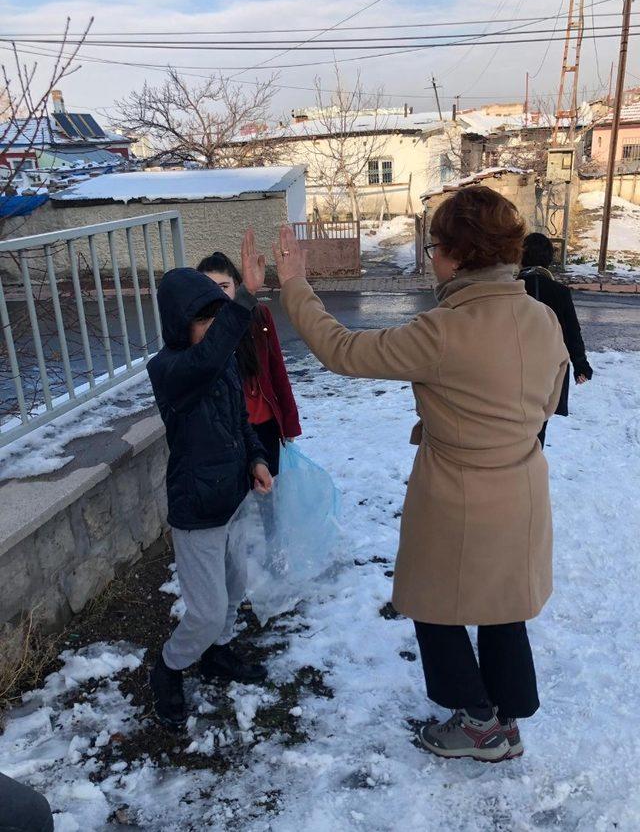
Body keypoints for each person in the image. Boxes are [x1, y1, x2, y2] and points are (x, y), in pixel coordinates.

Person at [272, 186, 569, 762]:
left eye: (435, 246)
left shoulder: (441, 330)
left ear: (459, 254)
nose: (430, 256)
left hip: (457, 492)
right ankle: (504, 718)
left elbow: (343, 351)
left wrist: (294, 285)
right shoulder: (542, 316)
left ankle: (478, 723)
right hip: (523, 486)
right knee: (502, 604)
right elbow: (549, 399)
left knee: (436, 605)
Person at [147, 229, 273, 729]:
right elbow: (206, 357)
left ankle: (219, 655)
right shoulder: (172, 368)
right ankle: (169, 669)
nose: (212, 325)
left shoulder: (217, 366)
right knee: (205, 609)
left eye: (214, 315)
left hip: (231, 499)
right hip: (197, 510)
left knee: (234, 586)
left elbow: (241, 422)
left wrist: (257, 460)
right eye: (203, 317)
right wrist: (244, 298)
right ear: (180, 324)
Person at [197, 251, 302, 475]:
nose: (217, 293)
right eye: (208, 287)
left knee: (267, 495)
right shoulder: (198, 327)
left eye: (224, 286)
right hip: (228, 432)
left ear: (236, 286)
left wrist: (289, 421)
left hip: (265, 424)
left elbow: (277, 370)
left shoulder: (259, 315)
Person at [518, 232, 593, 448]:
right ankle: (532, 466)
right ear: (549, 260)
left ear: (520, 257)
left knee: (513, 425)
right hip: (548, 371)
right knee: (539, 426)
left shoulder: (512, 289)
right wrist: (581, 365)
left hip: (514, 366)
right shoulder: (560, 292)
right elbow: (572, 332)